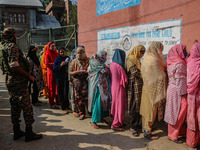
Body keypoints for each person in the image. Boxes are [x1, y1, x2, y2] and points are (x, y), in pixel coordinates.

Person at [0, 27, 42, 142]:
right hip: (18, 81)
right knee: (26, 107)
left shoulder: (2, 46)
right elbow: (14, 65)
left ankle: (16, 131)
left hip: (10, 80)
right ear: (12, 35)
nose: (16, 36)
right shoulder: (12, 46)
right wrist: (29, 76)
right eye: (14, 34)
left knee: (15, 106)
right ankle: (29, 133)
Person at [140, 41, 167, 140]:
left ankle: (146, 128)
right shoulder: (155, 60)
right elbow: (160, 76)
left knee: (146, 108)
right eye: (160, 49)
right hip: (152, 90)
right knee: (151, 110)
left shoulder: (146, 58)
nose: (161, 52)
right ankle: (147, 133)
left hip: (146, 87)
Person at [164, 44, 187, 143]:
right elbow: (180, 81)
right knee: (180, 111)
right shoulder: (180, 63)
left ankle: (175, 132)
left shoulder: (169, 62)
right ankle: (173, 135)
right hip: (177, 90)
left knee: (172, 112)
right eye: (184, 50)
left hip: (171, 89)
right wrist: (184, 93)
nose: (185, 52)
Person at [88, 51, 111, 129]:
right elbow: (104, 71)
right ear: (100, 57)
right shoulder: (95, 63)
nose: (105, 59)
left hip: (101, 86)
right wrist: (107, 68)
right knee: (97, 102)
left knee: (102, 101)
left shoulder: (98, 62)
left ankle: (100, 117)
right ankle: (93, 121)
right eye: (104, 57)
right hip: (97, 87)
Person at [126, 45, 146, 136]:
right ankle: (132, 127)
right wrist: (145, 75)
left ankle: (136, 124)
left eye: (143, 52)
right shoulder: (131, 58)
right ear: (136, 51)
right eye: (141, 52)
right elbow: (134, 72)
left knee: (139, 105)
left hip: (139, 85)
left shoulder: (137, 59)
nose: (142, 54)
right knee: (134, 105)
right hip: (133, 86)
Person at [185, 42, 200, 150]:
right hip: (197, 94)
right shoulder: (198, 63)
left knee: (191, 119)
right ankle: (194, 142)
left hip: (190, 94)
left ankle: (190, 142)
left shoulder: (189, 61)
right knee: (196, 119)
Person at [69, 46, 90, 120]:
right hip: (77, 83)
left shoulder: (88, 60)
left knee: (88, 98)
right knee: (79, 99)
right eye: (78, 52)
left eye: (82, 52)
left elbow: (92, 69)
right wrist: (77, 72)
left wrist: (86, 71)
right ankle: (82, 113)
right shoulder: (74, 61)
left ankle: (90, 112)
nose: (80, 54)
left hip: (86, 82)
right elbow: (70, 72)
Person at [110, 49, 128, 131]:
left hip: (113, 86)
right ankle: (116, 124)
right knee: (119, 106)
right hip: (119, 88)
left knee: (115, 104)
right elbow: (125, 79)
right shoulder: (119, 66)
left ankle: (118, 121)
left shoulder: (111, 64)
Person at [53, 47, 69, 114]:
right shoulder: (57, 59)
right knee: (61, 92)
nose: (62, 53)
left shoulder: (68, 58)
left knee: (66, 92)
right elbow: (54, 69)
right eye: (61, 52)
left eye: (63, 52)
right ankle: (63, 107)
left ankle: (67, 105)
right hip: (59, 78)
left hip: (66, 78)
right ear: (59, 53)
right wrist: (60, 65)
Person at [45, 41, 60, 109]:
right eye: (52, 46)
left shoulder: (56, 53)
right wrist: (55, 64)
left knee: (57, 87)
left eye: (54, 46)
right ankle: (51, 103)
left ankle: (58, 101)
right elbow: (47, 64)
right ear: (49, 47)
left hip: (56, 72)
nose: (54, 47)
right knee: (51, 88)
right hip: (51, 73)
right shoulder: (47, 54)